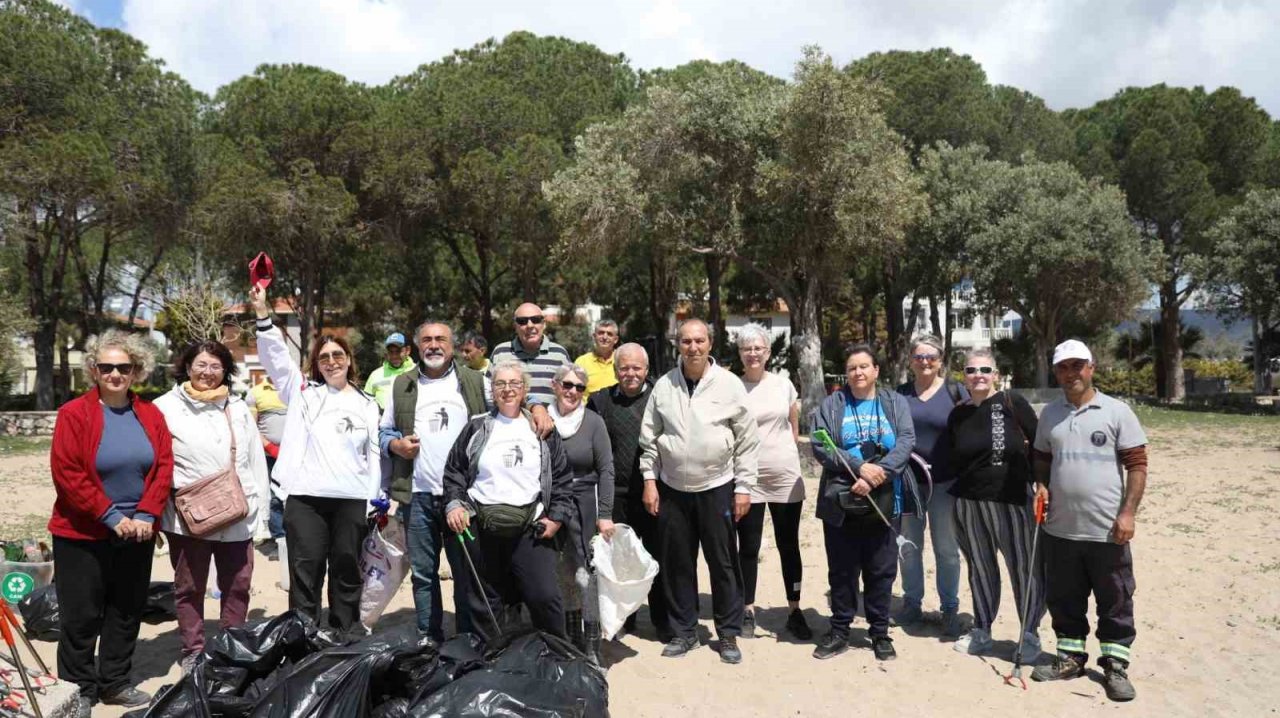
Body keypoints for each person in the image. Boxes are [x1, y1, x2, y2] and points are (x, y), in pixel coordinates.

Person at [48, 330, 173, 716]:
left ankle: (114, 682)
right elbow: (67, 473)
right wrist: (111, 516)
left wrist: (146, 513)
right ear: (94, 370)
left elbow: (163, 468)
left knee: (125, 611)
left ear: (136, 370)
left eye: (123, 367)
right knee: (81, 616)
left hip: (136, 531)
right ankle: (79, 687)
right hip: (82, 533)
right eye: (107, 367)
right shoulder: (74, 414)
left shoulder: (151, 414)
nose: (115, 374)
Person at [251, 283, 384, 633]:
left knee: (346, 573)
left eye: (337, 355)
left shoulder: (368, 404)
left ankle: (342, 636)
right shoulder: (303, 394)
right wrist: (263, 315)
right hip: (305, 500)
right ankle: (302, 638)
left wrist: (374, 501)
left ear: (349, 360)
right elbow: (277, 360)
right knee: (305, 574)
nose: (331, 362)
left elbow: (374, 457)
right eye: (324, 357)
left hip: (351, 501)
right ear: (316, 364)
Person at [1030, 340, 1148, 703]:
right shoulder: (1050, 414)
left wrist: (1127, 513)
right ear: (1057, 372)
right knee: (1065, 599)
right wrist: (1041, 485)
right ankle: (1070, 657)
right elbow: (1041, 459)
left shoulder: (1116, 411)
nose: (1071, 373)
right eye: (1064, 367)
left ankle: (1114, 665)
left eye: (1077, 365)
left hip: (1107, 530)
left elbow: (1137, 465)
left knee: (1114, 599)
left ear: (1091, 368)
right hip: (1060, 528)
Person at [639, 319, 759, 665]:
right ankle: (685, 632)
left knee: (723, 564)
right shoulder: (664, 386)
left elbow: (747, 441)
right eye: (686, 341)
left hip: (717, 486)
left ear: (710, 344)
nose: (693, 347)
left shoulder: (729, 385)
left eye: (699, 341)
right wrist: (650, 480)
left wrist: (744, 488)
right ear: (678, 344)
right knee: (677, 564)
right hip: (673, 488)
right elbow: (649, 439)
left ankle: (728, 634)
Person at [154, 340, 270, 671]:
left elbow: (255, 463)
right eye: (201, 365)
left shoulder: (238, 409)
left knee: (238, 585)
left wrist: (260, 513)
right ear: (187, 367)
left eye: (216, 366)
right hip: (189, 516)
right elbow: (159, 464)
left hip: (237, 511)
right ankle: (193, 648)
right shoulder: (165, 407)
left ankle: (232, 644)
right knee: (189, 586)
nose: (208, 372)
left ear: (226, 371)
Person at [443, 359, 575, 642]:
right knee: (485, 598)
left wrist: (556, 518)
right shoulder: (476, 427)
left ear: (525, 388)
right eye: (500, 384)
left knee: (543, 595)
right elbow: (454, 470)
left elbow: (562, 479)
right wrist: (454, 504)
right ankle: (489, 658)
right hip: (481, 525)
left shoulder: (542, 430)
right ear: (492, 389)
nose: (507, 389)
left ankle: (556, 655)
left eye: (514, 383)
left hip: (530, 527)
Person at [379, 320, 488, 642]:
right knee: (424, 575)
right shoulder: (402, 385)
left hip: (463, 498)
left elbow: (503, 417)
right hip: (418, 496)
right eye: (427, 339)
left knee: (465, 573)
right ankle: (430, 637)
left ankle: (467, 637)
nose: (434, 345)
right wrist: (395, 445)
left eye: (441, 339)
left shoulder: (474, 382)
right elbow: (383, 432)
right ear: (417, 347)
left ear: (453, 345)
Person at [810, 344, 915, 662]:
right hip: (841, 500)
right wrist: (858, 467)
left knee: (881, 570)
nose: (858, 372)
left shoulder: (894, 403)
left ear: (876, 370)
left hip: (885, 499)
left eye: (864, 366)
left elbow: (907, 440)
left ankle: (879, 632)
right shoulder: (833, 404)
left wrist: (876, 473)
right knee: (842, 570)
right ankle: (840, 629)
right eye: (852, 367)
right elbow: (820, 444)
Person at [945, 349, 1044, 657]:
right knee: (980, 568)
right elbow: (953, 456)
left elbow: (1040, 445)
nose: (979, 375)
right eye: (972, 370)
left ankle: (1029, 634)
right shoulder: (958, 413)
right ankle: (982, 630)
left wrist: (1043, 484)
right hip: (969, 503)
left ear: (996, 374)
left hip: (1012, 499)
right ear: (964, 376)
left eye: (985, 369)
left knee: (1024, 567)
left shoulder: (1012, 403)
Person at [733, 323, 812, 641]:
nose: (753, 353)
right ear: (740, 353)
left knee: (788, 544)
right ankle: (747, 609)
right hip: (747, 477)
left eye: (758, 348)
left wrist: (780, 453)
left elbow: (793, 428)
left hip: (784, 476)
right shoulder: (732, 387)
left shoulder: (783, 385)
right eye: (746, 348)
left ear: (767, 352)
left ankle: (794, 609)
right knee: (748, 547)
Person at [587, 343, 668, 640]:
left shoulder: (661, 396)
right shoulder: (599, 400)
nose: (630, 373)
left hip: (656, 490)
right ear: (615, 369)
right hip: (616, 494)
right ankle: (625, 619)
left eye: (637, 368)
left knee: (658, 557)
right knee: (621, 561)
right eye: (625, 368)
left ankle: (663, 621)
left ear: (646, 370)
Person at [894, 334, 967, 635]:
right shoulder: (899, 395)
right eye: (918, 357)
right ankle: (912, 602)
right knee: (909, 546)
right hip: (909, 485)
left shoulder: (955, 392)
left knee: (947, 548)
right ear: (910, 360)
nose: (925, 362)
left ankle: (949, 608)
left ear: (941, 360)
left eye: (931, 356)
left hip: (946, 485)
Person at [550, 363, 614, 664]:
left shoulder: (593, 422)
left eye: (579, 387)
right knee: (562, 574)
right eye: (567, 385)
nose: (572, 391)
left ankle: (591, 646)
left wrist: (606, 513)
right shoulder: (541, 420)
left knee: (588, 575)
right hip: (552, 507)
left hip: (586, 504)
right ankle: (571, 640)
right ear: (555, 385)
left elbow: (606, 470)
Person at [489, 303, 571, 435]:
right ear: (515, 326)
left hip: (549, 433)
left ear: (544, 324)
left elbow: (568, 393)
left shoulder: (560, 354)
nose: (530, 325)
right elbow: (489, 394)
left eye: (536, 320)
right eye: (522, 321)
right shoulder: (501, 353)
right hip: (508, 430)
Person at [245, 376, 288, 556]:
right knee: (274, 497)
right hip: (268, 456)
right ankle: (279, 539)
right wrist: (270, 447)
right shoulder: (256, 393)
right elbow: (251, 428)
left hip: (295, 456)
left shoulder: (299, 389)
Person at [365, 332, 416, 410]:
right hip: (382, 421)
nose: (394, 356)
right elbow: (366, 402)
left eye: (398, 351)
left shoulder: (417, 371)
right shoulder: (375, 375)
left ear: (408, 350)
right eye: (391, 352)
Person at [575, 319, 620, 395]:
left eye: (609, 334)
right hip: (588, 406)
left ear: (615, 339)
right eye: (601, 333)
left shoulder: (621, 360)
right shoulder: (581, 362)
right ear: (594, 336)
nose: (605, 337)